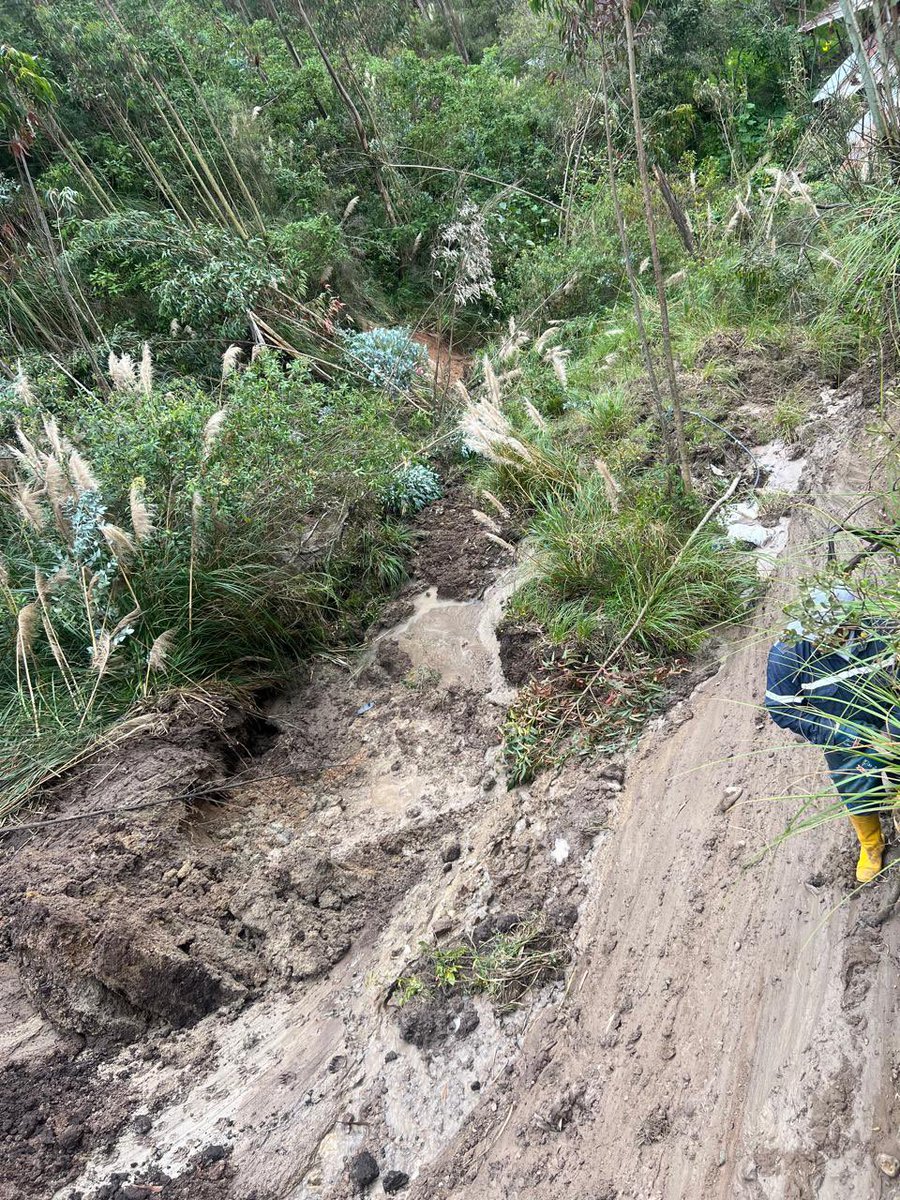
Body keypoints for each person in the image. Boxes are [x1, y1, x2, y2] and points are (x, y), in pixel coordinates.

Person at [765, 585, 897, 882]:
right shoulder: (788, 652)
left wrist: (893, 732)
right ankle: (872, 844)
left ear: (851, 622)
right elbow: (782, 710)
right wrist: (844, 734)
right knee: (855, 786)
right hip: (841, 733)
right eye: (814, 636)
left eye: (827, 634)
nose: (818, 643)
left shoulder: (885, 629)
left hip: (892, 719)